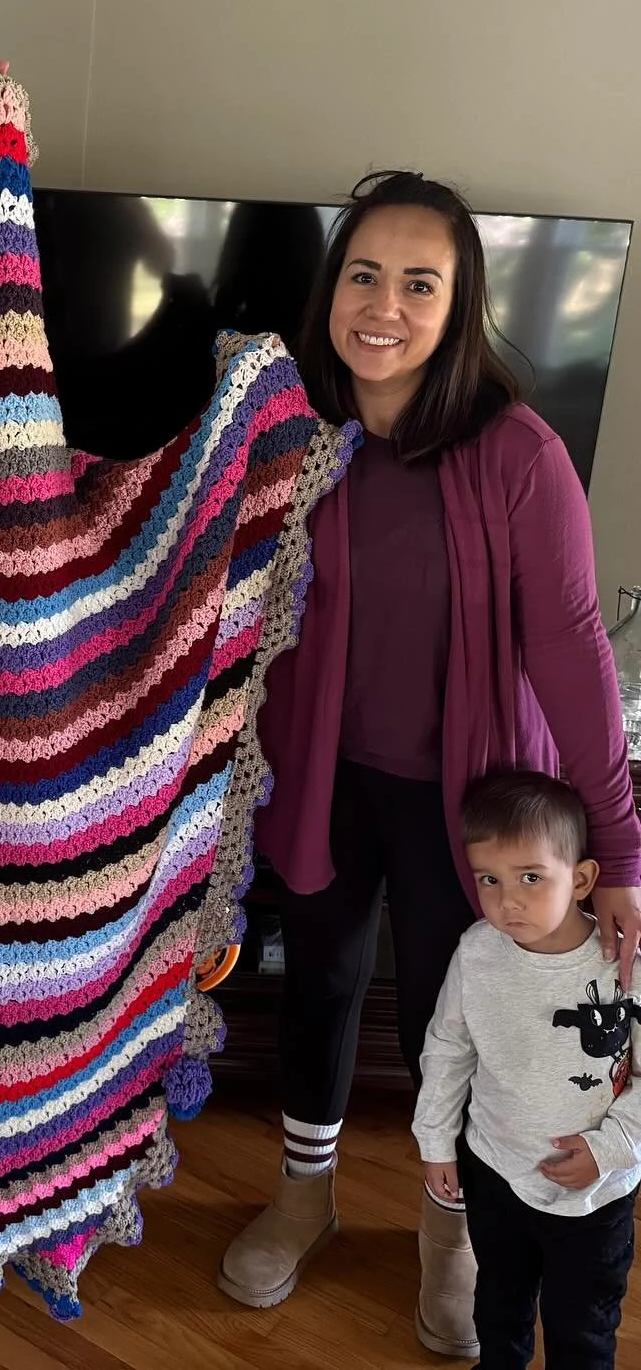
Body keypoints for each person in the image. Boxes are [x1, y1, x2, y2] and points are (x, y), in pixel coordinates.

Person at [217, 171, 641, 1359]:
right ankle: (306, 1193)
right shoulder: (292, 431)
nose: (385, 304)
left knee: (463, 1018)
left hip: (475, 806)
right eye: (365, 273)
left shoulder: (520, 456)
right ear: (331, 287)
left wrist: (619, 845)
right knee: (323, 985)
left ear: (460, 304)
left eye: (420, 281)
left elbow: (572, 660)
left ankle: (447, 1231)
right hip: (322, 777)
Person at [414, 770, 640, 1369]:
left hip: (595, 1197)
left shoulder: (623, 964)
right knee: (500, 1310)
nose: (506, 899)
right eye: (490, 878)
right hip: (494, 1172)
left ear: (583, 878)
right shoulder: (476, 951)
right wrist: (436, 1141)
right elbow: (447, 1047)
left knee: (583, 1332)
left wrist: (612, 1146)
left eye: (531, 877)